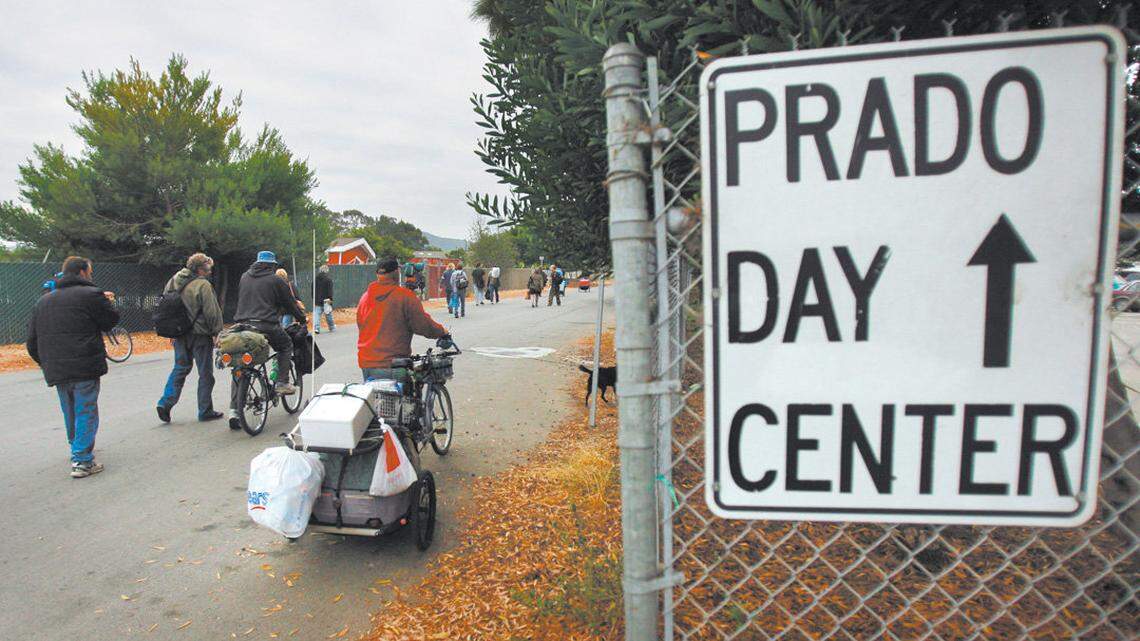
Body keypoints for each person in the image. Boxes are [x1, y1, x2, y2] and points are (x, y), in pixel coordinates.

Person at [26, 256, 120, 478]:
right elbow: (110, 321)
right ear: (81, 272)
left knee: (70, 408)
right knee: (86, 408)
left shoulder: (43, 301)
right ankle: (82, 459)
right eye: (90, 271)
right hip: (84, 363)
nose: (91, 275)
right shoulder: (91, 295)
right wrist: (109, 303)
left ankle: (77, 447)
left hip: (56, 366)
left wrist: (45, 362)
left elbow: (32, 341)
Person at [229, 251, 306, 429]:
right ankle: (281, 382)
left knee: (241, 365)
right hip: (266, 325)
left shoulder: (244, 277)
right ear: (272, 265)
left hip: (243, 326)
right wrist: (301, 318)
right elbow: (289, 303)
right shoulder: (276, 280)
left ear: (256, 263)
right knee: (285, 346)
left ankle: (234, 410)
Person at [357, 257, 450, 383]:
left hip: (366, 364)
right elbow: (423, 325)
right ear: (397, 273)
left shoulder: (365, 298)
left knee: (378, 400)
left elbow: (361, 324)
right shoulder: (405, 296)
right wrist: (442, 331)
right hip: (394, 365)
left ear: (377, 275)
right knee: (411, 395)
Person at [156, 253, 225, 423]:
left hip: (179, 333)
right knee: (205, 374)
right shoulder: (203, 285)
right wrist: (217, 332)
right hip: (200, 334)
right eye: (208, 268)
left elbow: (166, 307)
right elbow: (211, 312)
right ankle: (205, 410)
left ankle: (165, 402)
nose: (210, 271)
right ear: (201, 269)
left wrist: (171, 330)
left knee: (180, 368)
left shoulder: (173, 280)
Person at [314, 265, 335, 334]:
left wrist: (314, 298)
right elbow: (330, 290)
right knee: (328, 313)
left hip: (317, 299)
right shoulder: (328, 279)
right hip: (326, 299)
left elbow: (312, 290)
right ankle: (331, 327)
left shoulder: (315, 279)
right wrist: (330, 299)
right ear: (326, 271)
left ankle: (316, 328)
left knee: (317, 314)